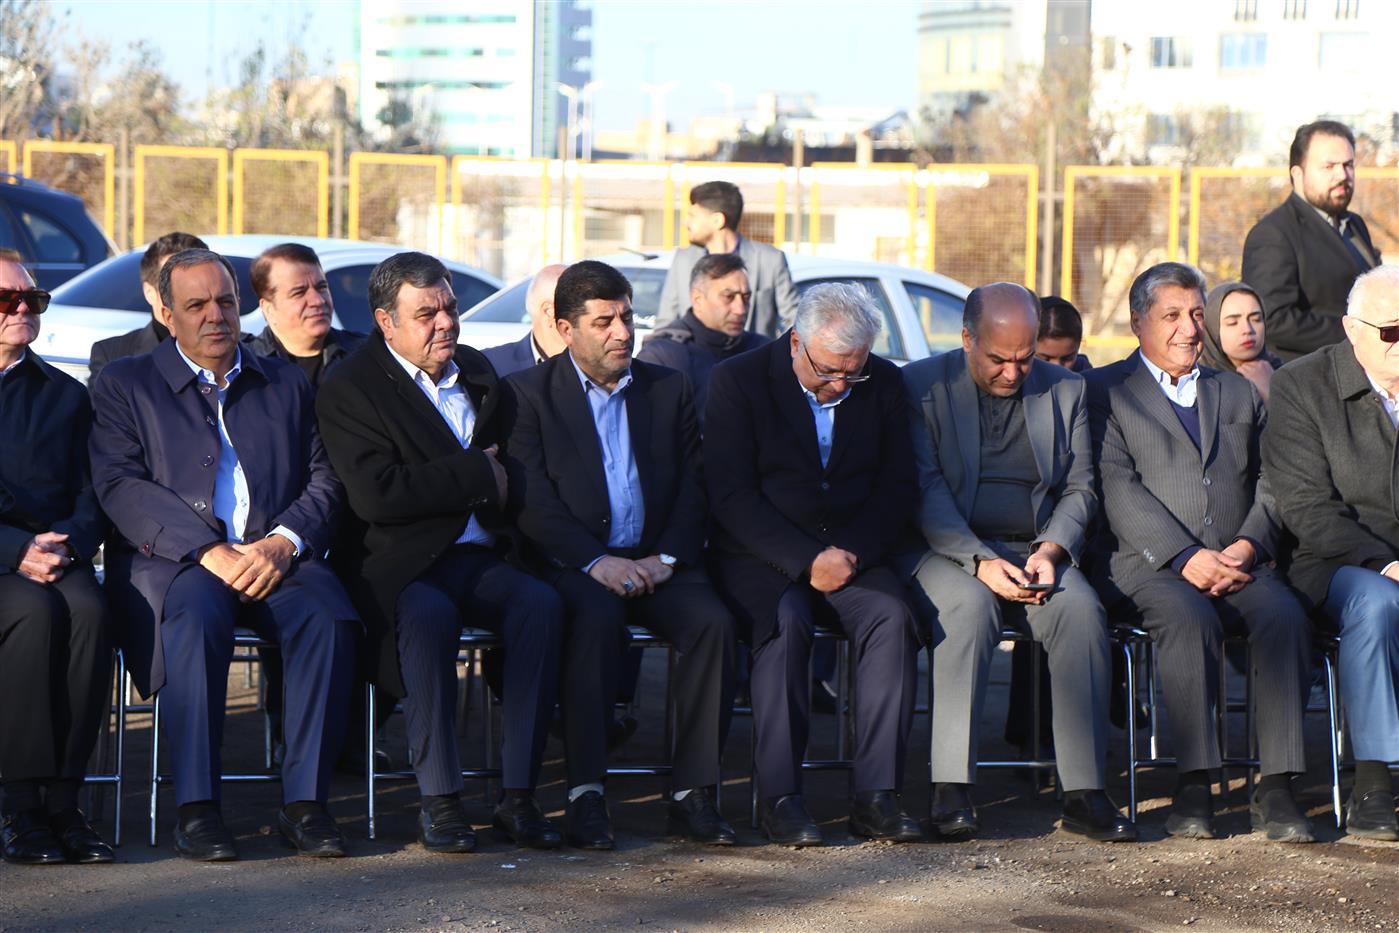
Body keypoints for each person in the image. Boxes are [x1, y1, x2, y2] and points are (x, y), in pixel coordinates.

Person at [89, 248, 358, 861]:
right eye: (197, 305)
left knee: (330, 616)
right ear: (167, 314)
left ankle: (306, 802)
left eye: (226, 302)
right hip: (178, 563)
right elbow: (120, 485)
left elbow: (326, 478)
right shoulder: (126, 383)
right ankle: (198, 808)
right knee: (194, 621)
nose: (216, 316)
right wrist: (206, 549)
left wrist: (284, 542)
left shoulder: (284, 381)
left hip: (274, 554)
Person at [316, 252, 564, 854]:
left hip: (480, 556)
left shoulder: (476, 372)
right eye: (426, 314)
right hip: (402, 564)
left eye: (450, 307)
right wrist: (477, 474)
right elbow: (378, 495)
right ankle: (441, 801)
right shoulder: (351, 386)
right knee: (428, 617)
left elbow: (512, 471)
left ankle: (519, 796)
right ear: (386, 321)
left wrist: (477, 483)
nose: (446, 322)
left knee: (541, 605)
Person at [502, 260, 737, 850]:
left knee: (713, 625)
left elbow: (696, 486)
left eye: (628, 318)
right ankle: (586, 794)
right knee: (596, 621)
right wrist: (594, 561)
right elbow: (532, 501)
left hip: (657, 562)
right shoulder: (527, 394)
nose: (622, 333)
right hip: (579, 566)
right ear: (565, 329)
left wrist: (668, 559)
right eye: (604, 322)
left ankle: (694, 793)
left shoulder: (667, 388)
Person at [1086, 262, 1313, 844]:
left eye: (1194, 314)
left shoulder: (1234, 390)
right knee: (1189, 619)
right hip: (1150, 566)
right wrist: (1185, 556)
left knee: (1285, 617)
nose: (1189, 329)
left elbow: (1272, 479)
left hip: (1238, 561)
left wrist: (1248, 544)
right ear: (1138, 322)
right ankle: (1195, 783)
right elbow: (1116, 486)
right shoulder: (1106, 392)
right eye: (1172, 316)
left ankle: (1278, 785)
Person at [903, 282, 1135, 843]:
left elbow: (1080, 488)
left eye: (1025, 358)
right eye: (998, 359)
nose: (1013, 372)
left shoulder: (1066, 388)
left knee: (1080, 612)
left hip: (1035, 549)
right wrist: (981, 562)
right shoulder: (920, 386)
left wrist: (1051, 551)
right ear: (967, 339)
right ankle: (952, 787)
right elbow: (924, 490)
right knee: (968, 610)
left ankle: (1084, 790)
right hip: (945, 551)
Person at [704, 282, 922, 847]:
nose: (841, 384)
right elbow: (730, 495)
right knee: (786, 623)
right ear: (796, 342)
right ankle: (781, 797)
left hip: (852, 551)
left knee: (892, 618)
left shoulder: (885, 382)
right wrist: (805, 560)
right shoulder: (738, 381)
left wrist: (852, 554)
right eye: (828, 370)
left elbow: (897, 488)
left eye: (854, 371)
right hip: (764, 554)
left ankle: (877, 795)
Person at [1262, 264, 1399, 841]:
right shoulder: (1302, 385)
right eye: (1392, 331)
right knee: (1378, 603)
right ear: (1351, 329)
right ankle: (1375, 784)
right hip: (1333, 562)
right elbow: (1307, 507)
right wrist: (1387, 564)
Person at [0, 254, 113, 865]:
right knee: (33, 613)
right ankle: (19, 804)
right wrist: (15, 551)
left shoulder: (66, 395)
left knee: (91, 612)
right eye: (6, 299)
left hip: (55, 553)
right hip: (7, 562)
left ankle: (65, 802)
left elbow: (93, 492)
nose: (22, 308)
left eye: (33, 299)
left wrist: (67, 543)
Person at [1242, 120, 1381, 361]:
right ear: (1297, 174)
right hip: (1312, 375)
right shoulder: (1274, 233)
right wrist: (1359, 332)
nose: (1342, 175)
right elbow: (1273, 320)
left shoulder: (1354, 224)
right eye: (1329, 166)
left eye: (1348, 165)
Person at [656, 181, 798, 337]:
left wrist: (780, 351)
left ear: (718, 220)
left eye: (693, 216)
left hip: (753, 353)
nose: (686, 223)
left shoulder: (770, 259)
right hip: (694, 353)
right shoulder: (683, 259)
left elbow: (794, 320)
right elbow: (666, 323)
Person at [639, 253, 768, 422]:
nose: (741, 309)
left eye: (746, 298)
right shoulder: (663, 356)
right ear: (697, 299)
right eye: (728, 297)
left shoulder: (762, 351)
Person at [88, 232, 208, 384]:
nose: (191, 294)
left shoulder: (234, 353)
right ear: (149, 292)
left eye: (200, 283)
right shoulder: (113, 357)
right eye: (176, 285)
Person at [247, 242, 365, 389]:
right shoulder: (246, 367)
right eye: (299, 293)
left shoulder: (365, 357)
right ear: (268, 308)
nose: (318, 301)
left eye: (321, 288)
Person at [1201, 282, 1284, 405]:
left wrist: (1270, 389)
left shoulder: (1283, 372)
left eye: (1256, 319)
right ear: (1211, 328)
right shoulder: (1199, 383)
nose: (1247, 330)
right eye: (1233, 322)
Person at [482, 264, 568, 377]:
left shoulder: (589, 366)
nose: (586, 313)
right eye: (577, 304)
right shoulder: (490, 366)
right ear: (549, 312)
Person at [1035, 296, 1092, 373]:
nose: (1057, 368)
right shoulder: (1019, 376)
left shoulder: (1084, 373)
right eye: (1045, 359)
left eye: (1067, 358)